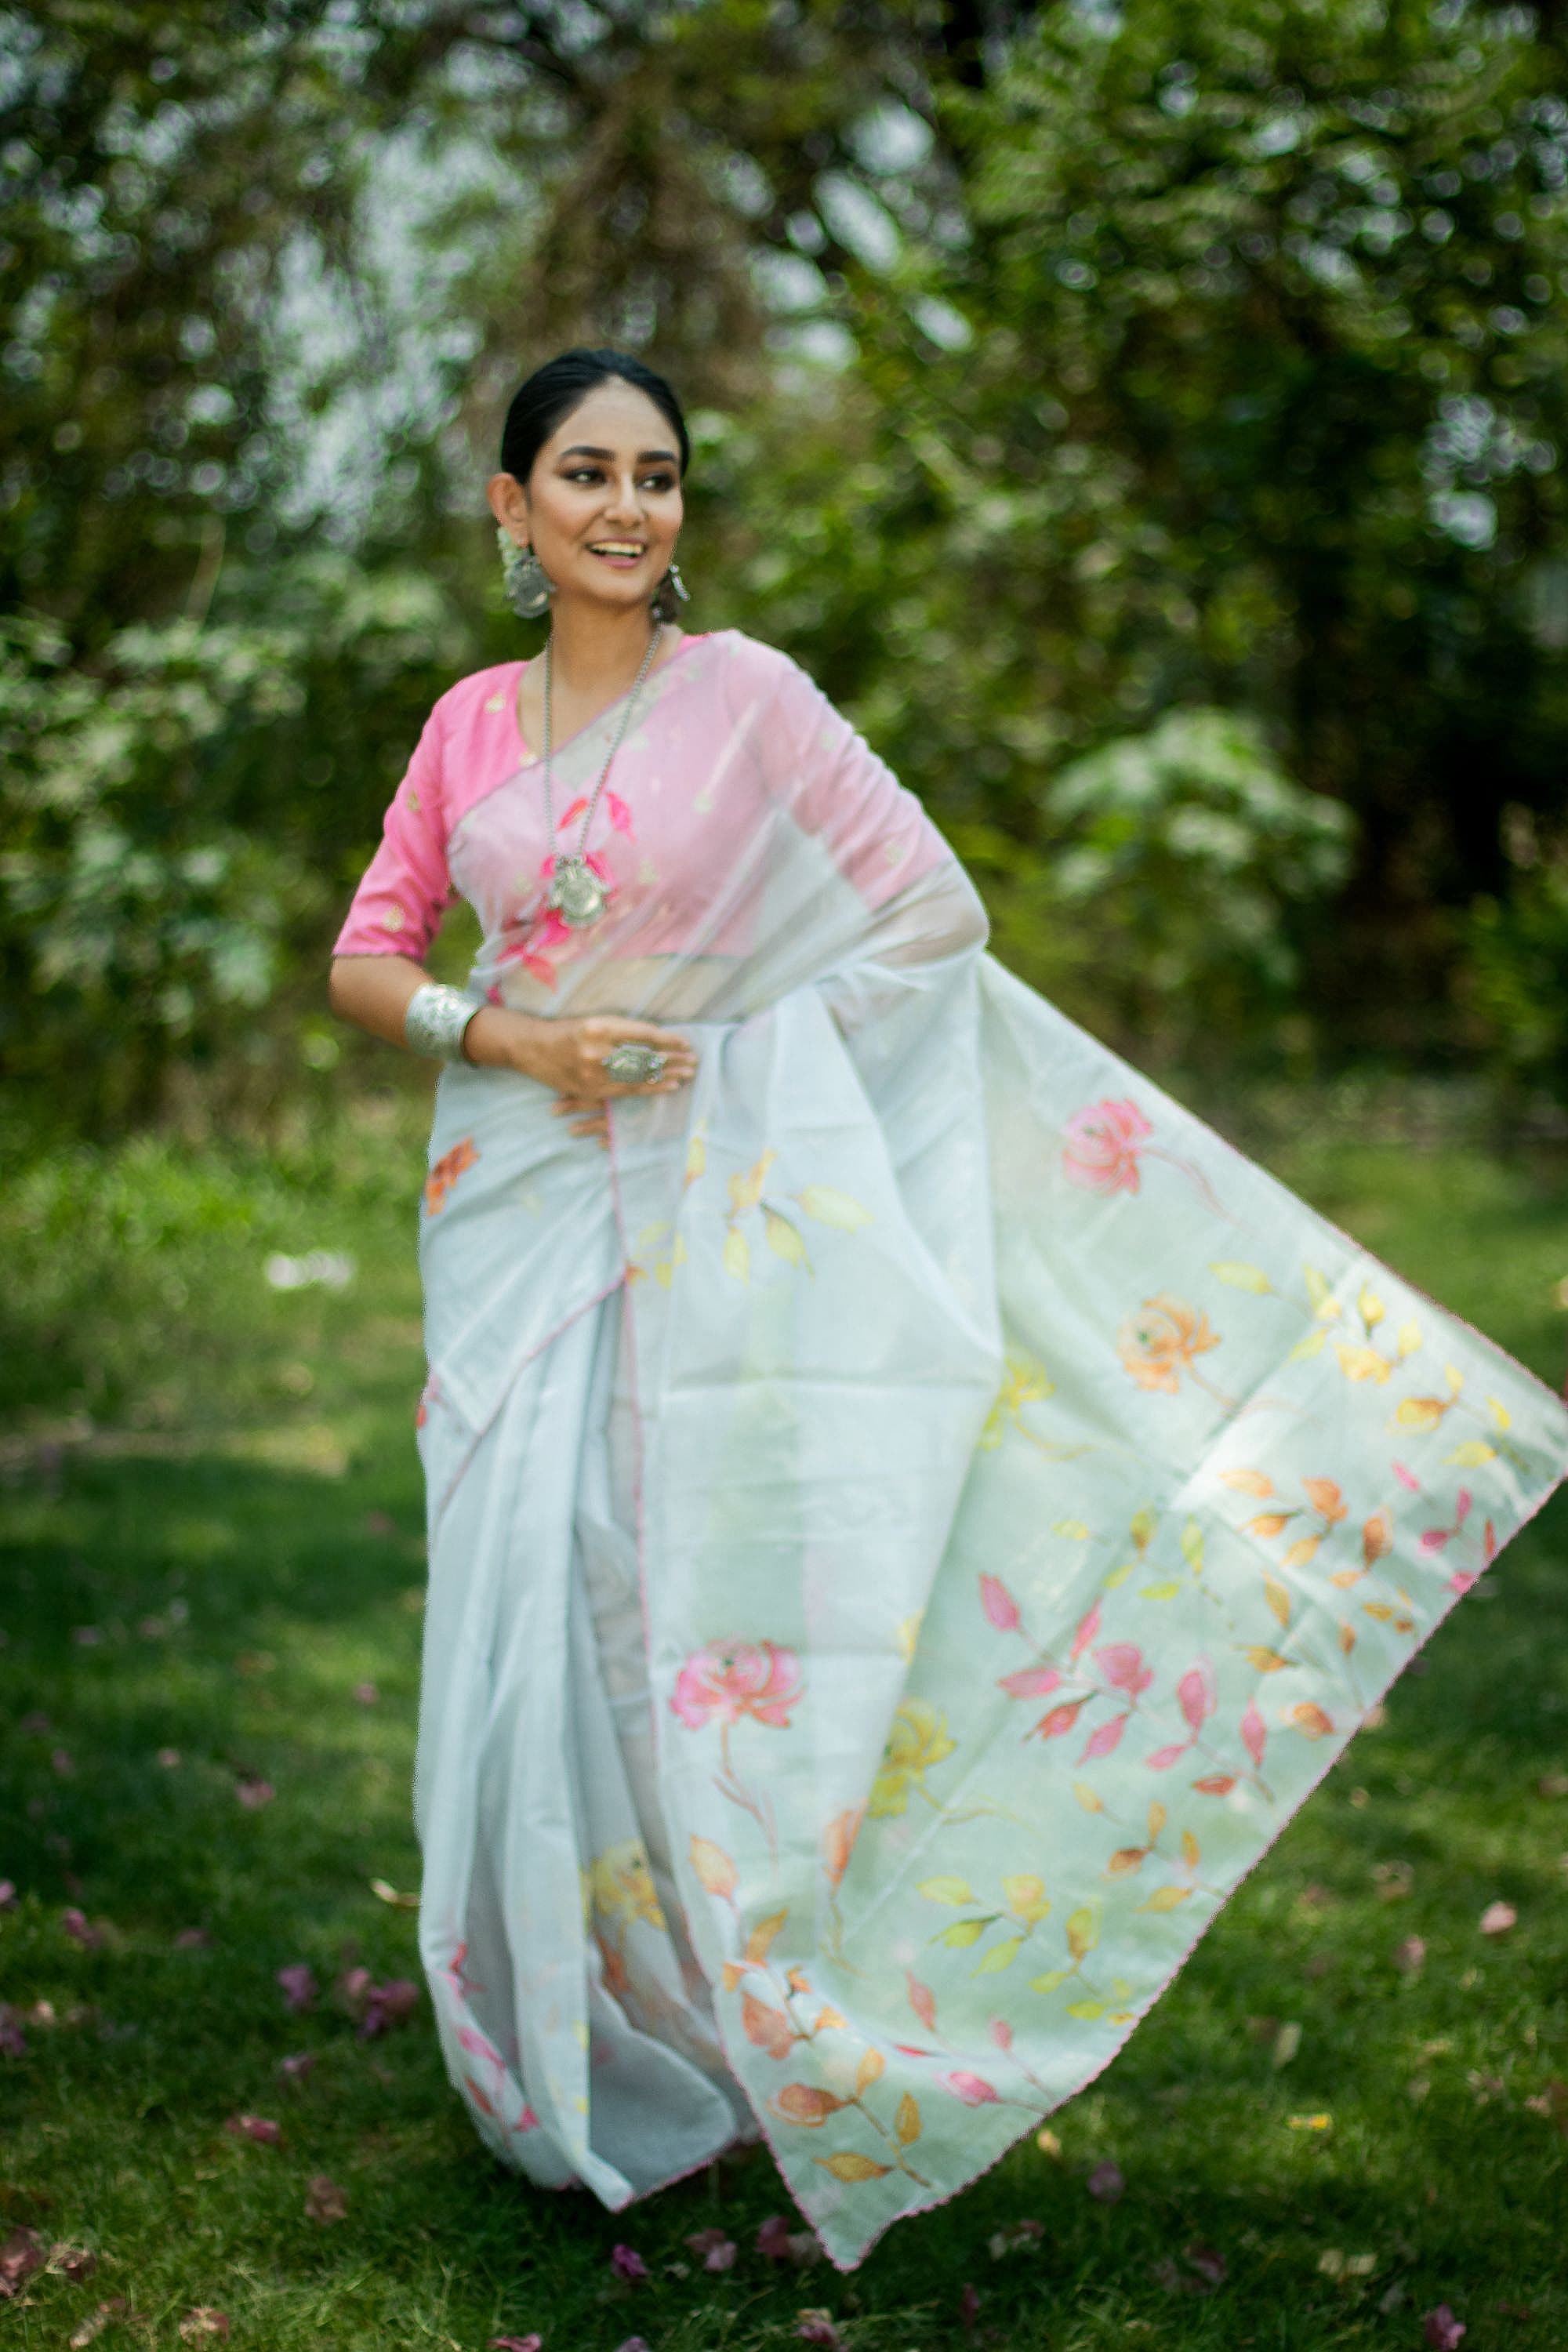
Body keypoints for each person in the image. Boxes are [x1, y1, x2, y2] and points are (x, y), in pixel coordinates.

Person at [328, 346, 1568, 2272]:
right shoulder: (467, 728)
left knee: (682, 1601)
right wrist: (514, 1039)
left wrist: (735, 1073)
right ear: (511, 504)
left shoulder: (745, 698)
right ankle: (592, 2029)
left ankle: (749, 2025)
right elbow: (365, 954)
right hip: (510, 1207)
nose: (628, 506)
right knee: (540, 1613)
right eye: (585, 470)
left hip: (709, 1203)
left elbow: (934, 915)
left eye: (660, 473)